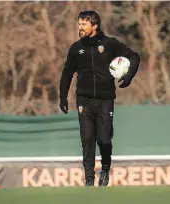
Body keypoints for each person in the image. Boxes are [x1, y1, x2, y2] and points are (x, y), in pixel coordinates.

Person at [59, 10, 140, 187]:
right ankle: (89, 179)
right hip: (84, 100)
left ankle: (105, 169)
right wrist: (63, 96)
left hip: (105, 99)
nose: (80, 27)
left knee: (103, 139)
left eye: (83, 24)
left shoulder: (110, 44)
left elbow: (134, 56)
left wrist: (128, 77)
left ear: (94, 26)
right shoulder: (76, 48)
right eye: (79, 24)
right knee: (87, 138)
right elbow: (67, 73)